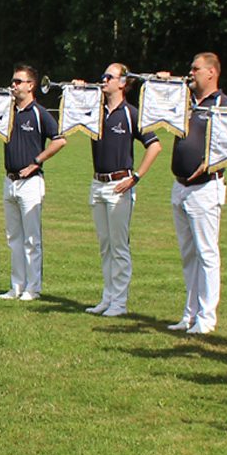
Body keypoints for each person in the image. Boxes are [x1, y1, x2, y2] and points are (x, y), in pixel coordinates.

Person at [85, 63, 160, 316]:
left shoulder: (131, 113)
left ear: (122, 83)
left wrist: (136, 177)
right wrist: (77, 90)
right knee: (105, 245)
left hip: (119, 185)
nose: (103, 80)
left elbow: (155, 146)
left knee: (119, 246)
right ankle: (107, 298)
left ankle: (119, 302)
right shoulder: (94, 113)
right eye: (102, 75)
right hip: (97, 183)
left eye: (109, 76)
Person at [166, 53, 227, 335]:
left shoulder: (224, 104)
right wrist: (163, 85)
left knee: (207, 253)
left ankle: (206, 317)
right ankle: (189, 314)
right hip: (180, 185)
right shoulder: (186, 101)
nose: (190, 73)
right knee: (188, 254)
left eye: (195, 69)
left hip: (206, 187)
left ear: (211, 73)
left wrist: (212, 162)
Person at [0, 65, 65, 300]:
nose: (13, 85)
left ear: (30, 85)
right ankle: (16, 286)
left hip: (31, 182)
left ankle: (33, 288)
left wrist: (37, 161)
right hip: (9, 179)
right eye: (12, 82)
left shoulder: (39, 113)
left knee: (32, 239)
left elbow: (59, 140)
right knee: (13, 237)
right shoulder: (9, 111)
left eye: (17, 81)